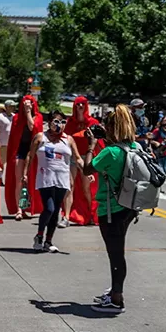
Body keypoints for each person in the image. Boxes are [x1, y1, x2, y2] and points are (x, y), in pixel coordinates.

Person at [85, 105, 139, 314]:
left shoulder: (109, 152)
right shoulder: (134, 146)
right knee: (118, 252)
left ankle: (117, 298)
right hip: (129, 206)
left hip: (110, 209)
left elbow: (87, 169)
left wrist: (91, 146)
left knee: (115, 254)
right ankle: (115, 291)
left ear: (113, 127)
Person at [24, 111, 85, 253]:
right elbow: (30, 155)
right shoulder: (41, 137)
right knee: (49, 208)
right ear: (50, 122)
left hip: (62, 178)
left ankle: (48, 241)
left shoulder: (68, 139)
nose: (59, 125)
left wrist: (86, 172)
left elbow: (77, 158)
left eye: (63, 122)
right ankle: (39, 236)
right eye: (56, 121)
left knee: (56, 210)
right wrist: (25, 173)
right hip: (45, 177)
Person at [62, 96, 101, 226]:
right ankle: (66, 217)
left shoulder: (93, 122)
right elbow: (65, 139)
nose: (80, 107)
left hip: (86, 158)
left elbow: (98, 141)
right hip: (72, 157)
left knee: (86, 188)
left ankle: (91, 214)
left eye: (82, 104)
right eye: (78, 104)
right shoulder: (70, 122)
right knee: (69, 186)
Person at [4, 95, 44, 221]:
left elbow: (33, 127)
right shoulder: (16, 118)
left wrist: (28, 113)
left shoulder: (38, 117)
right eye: (25, 104)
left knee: (29, 181)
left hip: (32, 152)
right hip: (19, 151)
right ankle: (19, 209)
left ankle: (26, 207)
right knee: (19, 180)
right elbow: (14, 139)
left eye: (30, 103)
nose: (28, 105)